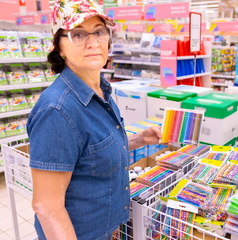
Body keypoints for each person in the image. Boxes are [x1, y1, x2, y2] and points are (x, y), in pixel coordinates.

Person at [27, 0, 161, 239]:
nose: (93, 42)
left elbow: (90, 154)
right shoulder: (57, 111)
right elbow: (47, 207)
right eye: (78, 34)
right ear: (59, 47)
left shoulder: (101, 91)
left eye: (99, 31)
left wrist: (138, 140)